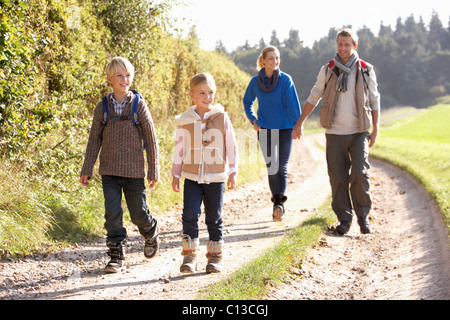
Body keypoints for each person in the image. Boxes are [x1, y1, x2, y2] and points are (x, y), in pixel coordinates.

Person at [293, 28, 381, 235]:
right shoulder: (328, 69)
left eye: (347, 44)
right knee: (338, 177)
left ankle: (363, 216)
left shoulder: (365, 69)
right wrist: (299, 123)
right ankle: (344, 218)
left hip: (359, 132)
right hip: (334, 133)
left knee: (360, 173)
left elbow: (375, 98)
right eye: (340, 44)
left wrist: (376, 128)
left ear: (354, 46)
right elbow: (315, 95)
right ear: (337, 45)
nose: (343, 48)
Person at [80, 57, 160, 273]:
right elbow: (94, 139)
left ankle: (151, 230)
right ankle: (116, 255)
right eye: (119, 76)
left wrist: (153, 170)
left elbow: (151, 139)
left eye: (128, 75)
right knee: (112, 214)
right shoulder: (102, 108)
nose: (125, 79)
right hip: (109, 172)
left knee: (138, 214)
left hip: (134, 172)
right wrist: (87, 168)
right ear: (109, 79)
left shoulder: (138, 105)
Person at [171, 73, 238, 274]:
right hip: (191, 177)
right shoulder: (185, 120)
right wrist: (176, 173)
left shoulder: (221, 118)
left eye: (211, 92)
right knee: (189, 215)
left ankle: (215, 257)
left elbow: (231, 145)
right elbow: (179, 148)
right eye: (202, 93)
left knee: (214, 218)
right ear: (192, 95)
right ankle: (189, 256)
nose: (207, 97)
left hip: (215, 178)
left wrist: (233, 170)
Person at [243, 46, 301, 221]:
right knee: (272, 166)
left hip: (284, 129)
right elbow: (247, 101)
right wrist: (253, 119)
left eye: (277, 58)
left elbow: (292, 104)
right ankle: (276, 203)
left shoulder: (285, 80)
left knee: (281, 166)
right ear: (263, 61)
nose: (274, 61)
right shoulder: (255, 82)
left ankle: (279, 204)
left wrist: (298, 125)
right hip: (265, 129)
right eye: (271, 58)